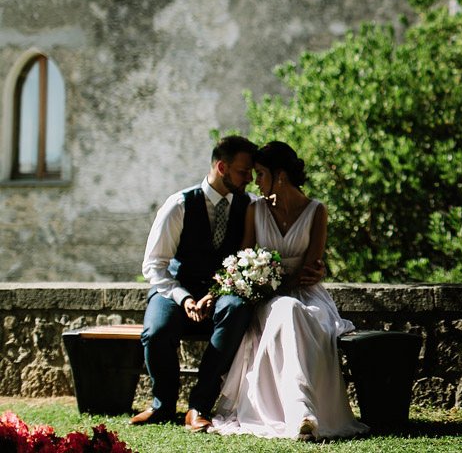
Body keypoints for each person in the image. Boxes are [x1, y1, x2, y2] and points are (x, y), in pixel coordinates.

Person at [210, 141, 369, 441]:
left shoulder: (316, 211)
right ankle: (300, 412)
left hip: (308, 296)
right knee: (286, 310)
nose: (256, 181)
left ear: (279, 176)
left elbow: (310, 268)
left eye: (260, 173)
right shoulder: (255, 209)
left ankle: (302, 411)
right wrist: (258, 280)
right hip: (268, 298)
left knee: (296, 311)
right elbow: (244, 258)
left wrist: (282, 280)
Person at [131, 135, 259, 433]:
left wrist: (217, 294)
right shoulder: (179, 205)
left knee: (237, 309)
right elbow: (154, 265)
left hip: (224, 291)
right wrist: (184, 298)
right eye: (243, 172)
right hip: (175, 287)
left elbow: (250, 260)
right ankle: (162, 405)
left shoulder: (250, 206)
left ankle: (199, 406)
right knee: (156, 331)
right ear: (222, 167)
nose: (250, 179)